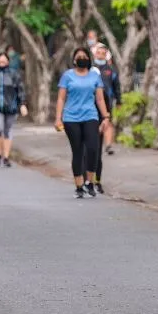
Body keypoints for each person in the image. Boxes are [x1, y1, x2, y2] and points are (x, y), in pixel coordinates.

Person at [56, 47, 110, 199]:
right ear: (74, 60)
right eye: (78, 56)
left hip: (90, 116)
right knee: (78, 151)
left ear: (88, 59)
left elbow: (99, 98)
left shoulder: (94, 76)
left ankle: (90, 182)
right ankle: (79, 185)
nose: (81, 58)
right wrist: (58, 118)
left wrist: (105, 117)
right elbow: (61, 98)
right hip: (71, 118)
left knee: (93, 149)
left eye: (84, 56)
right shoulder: (67, 76)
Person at [0, 50, 28, 168]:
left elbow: (20, 90)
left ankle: (6, 157)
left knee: (8, 131)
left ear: (8, 61)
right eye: (0, 59)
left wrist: (22, 104)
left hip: (11, 108)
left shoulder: (14, 74)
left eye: (4, 59)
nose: (2, 61)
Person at [91, 43, 122, 192]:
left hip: (106, 104)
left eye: (103, 52)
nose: (101, 54)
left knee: (107, 126)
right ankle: (87, 179)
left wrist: (119, 100)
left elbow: (117, 86)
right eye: (99, 52)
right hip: (89, 108)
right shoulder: (89, 69)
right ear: (95, 53)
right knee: (91, 145)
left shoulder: (110, 70)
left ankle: (108, 145)